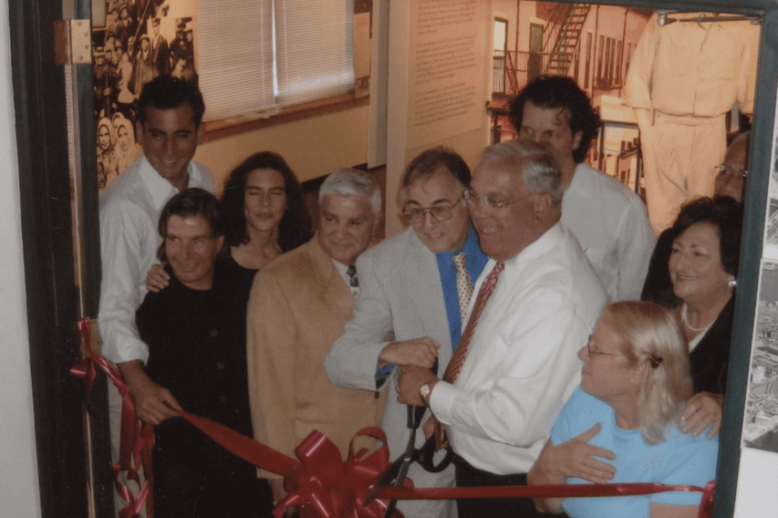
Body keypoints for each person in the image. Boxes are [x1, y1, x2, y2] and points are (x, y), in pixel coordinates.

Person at [397, 139, 607, 518]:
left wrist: (431, 390)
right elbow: (486, 358)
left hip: (515, 493)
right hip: (485, 478)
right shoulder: (514, 256)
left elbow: (513, 422)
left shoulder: (555, 297)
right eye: (474, 197)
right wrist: (447, 414)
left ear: (542, 205)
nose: (478, 213)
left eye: (496, 201)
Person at [326, 147, 488, 518]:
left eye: (441, 208)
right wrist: (388, 353)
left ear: (468, 199)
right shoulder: (384, 263)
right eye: (415, 210)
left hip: (492, 445)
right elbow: (339, 361)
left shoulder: (502, 247)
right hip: (421, 460)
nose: (427, 224)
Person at [248, 168, 386, 508]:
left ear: (376, 221)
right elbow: (269, 392)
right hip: (314, 464)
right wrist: (277, 476)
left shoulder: (392, 267)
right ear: (317, 217)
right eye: (330, 219)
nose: (340, 233)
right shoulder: (278, 281)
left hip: (384, 459)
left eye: (354, 222)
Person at [137, 188, 272, 518]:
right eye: (173, 240)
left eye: (197, 240)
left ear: (219, 242)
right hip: (186, 474)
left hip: (250, 463)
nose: (184, 254)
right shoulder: (154, 305)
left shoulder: (249, 290)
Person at [528, 301, 719, 518]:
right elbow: (542, 504)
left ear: (639, 370)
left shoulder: (692, 443)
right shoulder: (587, 400)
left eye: (595, 349)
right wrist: (553, 466)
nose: (582, 353)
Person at [99, 75, 213, 422]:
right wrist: (139, 384)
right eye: (157, 135)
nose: (169, 151)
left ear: (199, 132)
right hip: (139, 373)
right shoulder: (124, 209)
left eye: (181, 135)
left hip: (190, 359)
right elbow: (115, 310)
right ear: (138, 132)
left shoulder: (203, 179)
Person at [509, 75, 655, 302]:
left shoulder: (622, 209)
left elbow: (635, 304)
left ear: (576, 139)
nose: (536, 145)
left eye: (551, 134)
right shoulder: (503, 198)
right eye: (528, 131)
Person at [625, 12, 756, 234]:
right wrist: (647, 132)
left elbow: (751, 95)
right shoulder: (665, 16)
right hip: (664, 126)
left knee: (705, 216)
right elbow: (637, 74)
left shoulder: (743, 23)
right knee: (659, 220)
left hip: (711, 131)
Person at [145, 151, 313, 297]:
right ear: (240, 199)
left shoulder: (307, 249)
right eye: (254, 193)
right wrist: (160, 275)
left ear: (287, 201)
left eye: (275, 193)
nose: (265, 203)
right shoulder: (216, 255)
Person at [663, 196, 743, 436]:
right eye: (677, 250)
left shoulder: (743, 335)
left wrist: (727, 404)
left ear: (731, 271)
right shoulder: (656, 311)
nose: (680, 264)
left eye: (698, 254)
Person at [642, 131, 749, 306]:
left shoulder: (758, 256)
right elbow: (647, 316)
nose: (728, 186)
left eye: (744, 176)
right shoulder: (673, 242)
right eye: (724, 171)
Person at [97, 117, 119, 190]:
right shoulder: (99, 159)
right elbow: (100, 185)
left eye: (106, 134)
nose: (103, 140)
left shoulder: (117, 154)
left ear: (111, 135)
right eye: (101, 135)